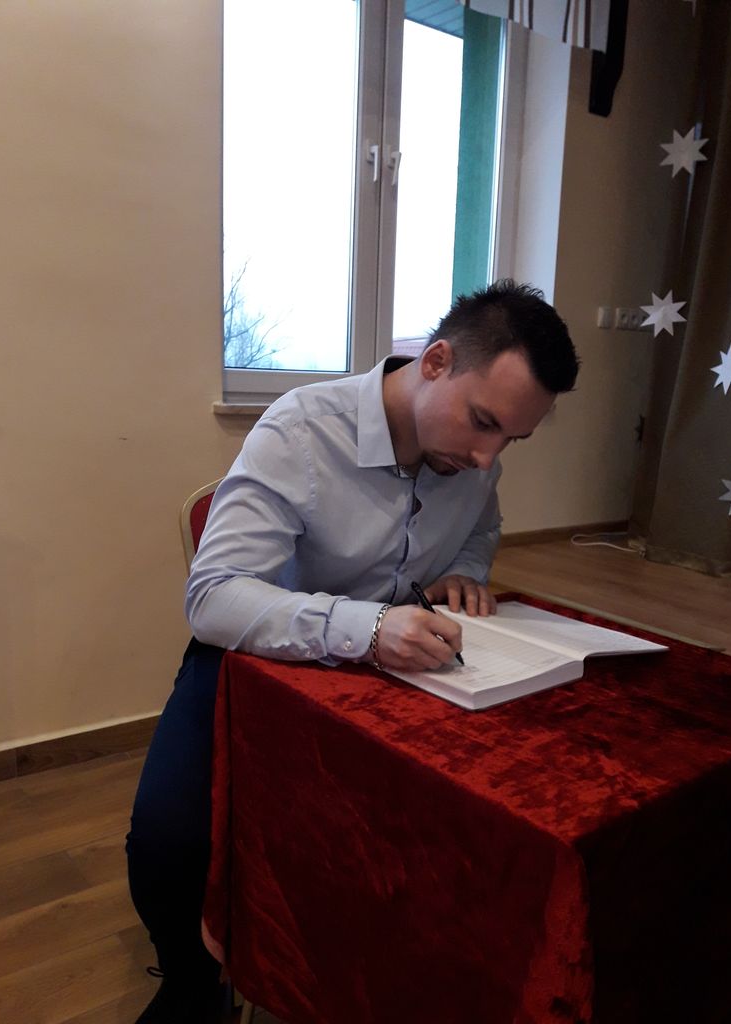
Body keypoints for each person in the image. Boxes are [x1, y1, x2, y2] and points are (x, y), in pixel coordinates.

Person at [127, 279, 580, 1022]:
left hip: (403, 663)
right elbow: (213, 598)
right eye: (483, 423)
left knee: (486, 823)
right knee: (166, 839)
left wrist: (467, 570)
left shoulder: (474, 457)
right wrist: (367, 629)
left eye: (511, 441)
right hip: (263, 656)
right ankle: (190, 983)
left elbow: (482, 525)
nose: (486, 456)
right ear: (435, 362)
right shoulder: (302, 429)